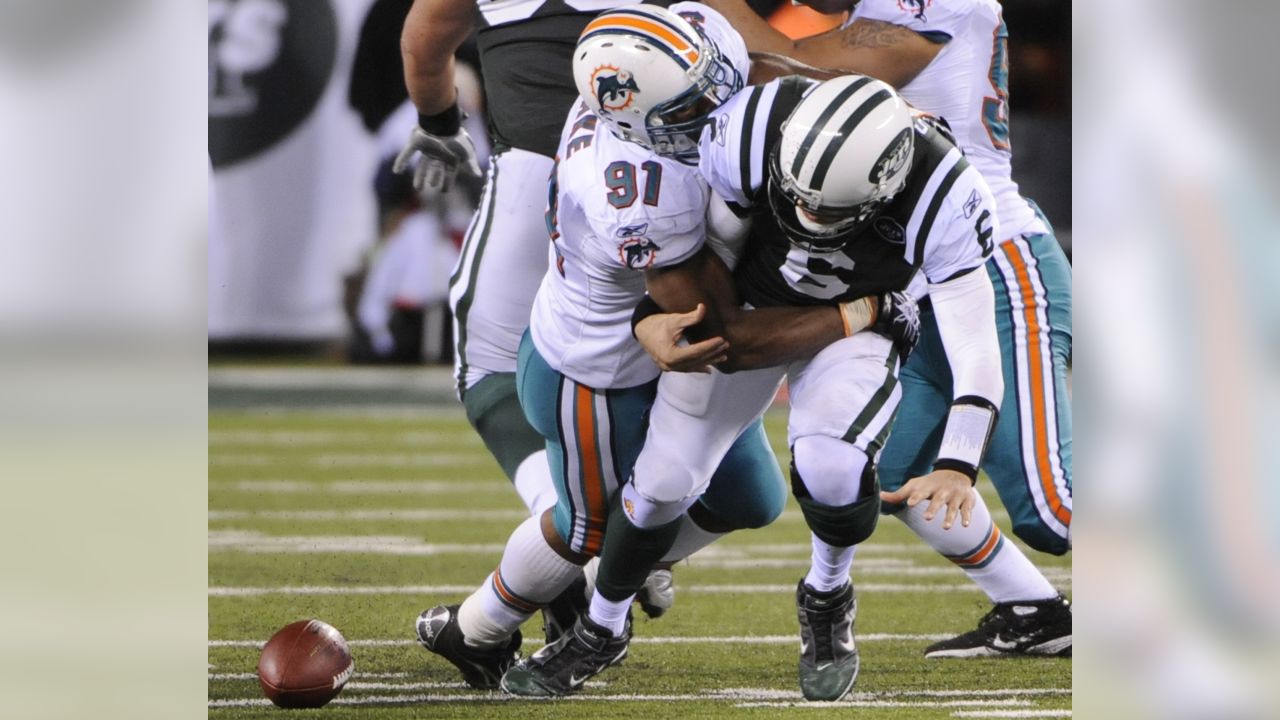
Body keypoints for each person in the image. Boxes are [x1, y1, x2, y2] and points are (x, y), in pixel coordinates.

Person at [699, 0, 1075, 658]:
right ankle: (1034, 608)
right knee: (890, 476)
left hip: (991, 261)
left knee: (1052, 509)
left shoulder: (929, 10)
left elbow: (811, 70)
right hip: (909, 279)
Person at [394, 0, 677, 617]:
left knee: (489, 364)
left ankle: (576, 526)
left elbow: (425, 39)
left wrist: (440, 123)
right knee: (689, 370)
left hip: (538, 162)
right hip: (668, 180)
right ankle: (636, 540)